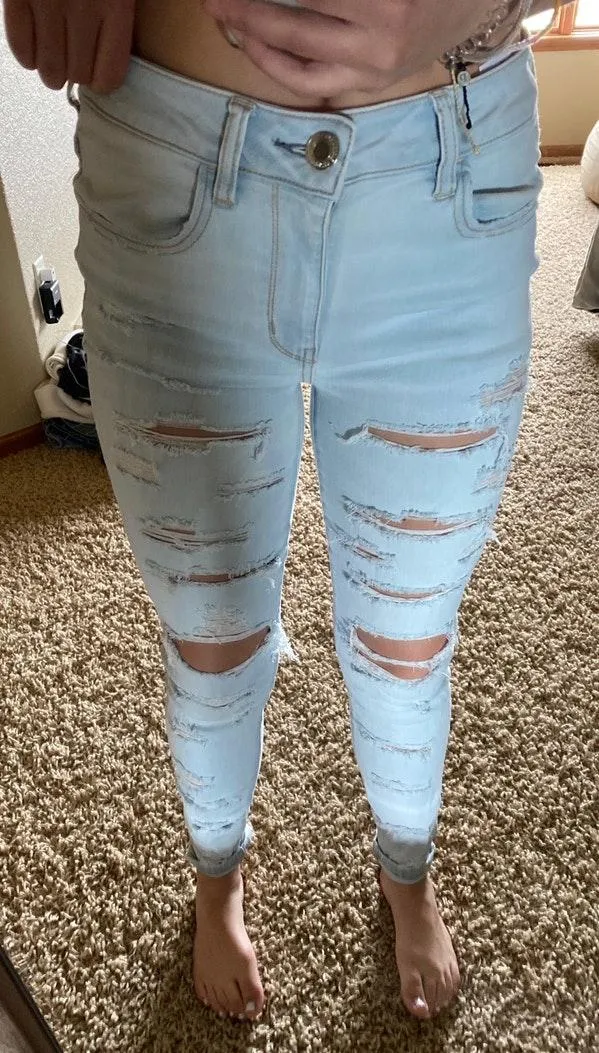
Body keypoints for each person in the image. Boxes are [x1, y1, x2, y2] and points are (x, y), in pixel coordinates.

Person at [4, 0, 562, 1027]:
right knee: (210, 637)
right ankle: (215, 877)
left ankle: (406, 869)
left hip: (448, 180)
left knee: (407, 640)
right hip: (172, 161)